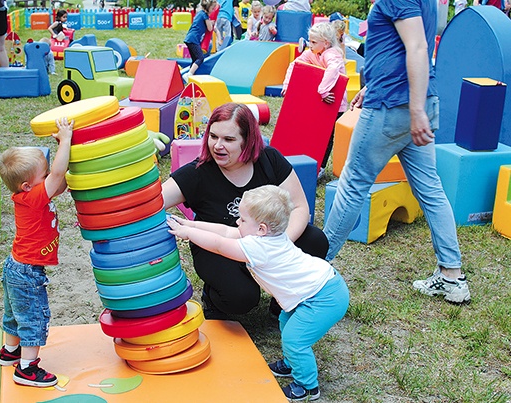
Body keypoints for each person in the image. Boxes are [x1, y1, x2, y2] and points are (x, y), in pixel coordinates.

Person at [323, 0, 471, 304]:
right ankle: (452, 277)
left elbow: (417, 47)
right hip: (413, 100)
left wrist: (414, 110)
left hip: (395, 106)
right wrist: (377, 86)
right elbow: (401, 46)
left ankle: (314, 268)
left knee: (353, 186)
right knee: (430, 188)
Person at [167, 185, 349, 401]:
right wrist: (191, 224)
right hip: (321, 287)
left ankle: (308, 386)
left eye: (243, 220)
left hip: (324, 297)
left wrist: (188, 233)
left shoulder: (260, 248)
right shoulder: (269, 237)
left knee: (295, 339)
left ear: (261, 228)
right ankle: (292, 363)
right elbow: (225, 231)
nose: (237, 223)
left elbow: (218, 245)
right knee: (285, 321)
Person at [162, 103, 329, 319]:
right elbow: (151, 202)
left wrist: (276, 248)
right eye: (213, 136)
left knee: (315, 240)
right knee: (240, 297)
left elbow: (299, 207)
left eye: (229, 139)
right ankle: (215, 300)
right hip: (220, 246)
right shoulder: (197, 173)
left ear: (247, 140)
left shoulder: (269, 160)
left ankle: (284, 303)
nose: (218, 146)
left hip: (267, 241)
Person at [0, 117, 74, 387]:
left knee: (14, 314)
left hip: (16, 266)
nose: (49, 176)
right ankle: (27, 369)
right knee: (33, 317)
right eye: (44, 175)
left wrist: (65, 159)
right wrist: (65, 141)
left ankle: (10, 352)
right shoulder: (32, 197)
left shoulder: (30, 193)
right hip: (27, 272)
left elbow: (59, 183)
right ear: (27, 186)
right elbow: (58, 176)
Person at [282, 22, 347, 179]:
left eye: (313, 42)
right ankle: (308, 161)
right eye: (309, 41)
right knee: (313, 131)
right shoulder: (313, 53)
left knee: (327, 136)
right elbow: (295, 64)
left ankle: (321, 167)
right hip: (320, 101)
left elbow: (333, 70)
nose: (309, 45)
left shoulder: (332, 54)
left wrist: (323, 90)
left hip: (334, 103)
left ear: (325, 43)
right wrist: (287, 84)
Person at [183, 0, 218, 79]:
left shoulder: (200, 13)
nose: (213, 11)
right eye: (212, 9)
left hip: (190, 38)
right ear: (208, 7)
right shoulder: (204, 15)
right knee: (200, 58)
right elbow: (209, 28)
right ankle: (189, 74)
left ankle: (190, 76)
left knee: (195, 59)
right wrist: (211, 23)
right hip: (193, 39)